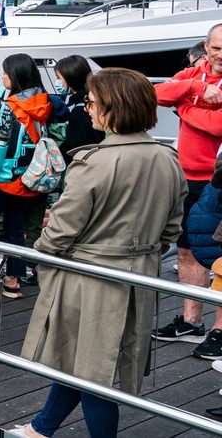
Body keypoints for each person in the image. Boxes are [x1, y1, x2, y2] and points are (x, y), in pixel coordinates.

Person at [17, 68, 185, 438]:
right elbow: (171, 229)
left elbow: (61, 231)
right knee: (86, 361)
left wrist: (42, 252)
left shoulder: (93, 163)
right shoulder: (167, 159)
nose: (89, 110)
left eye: (93, 103)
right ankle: (40, 428)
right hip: (138, 275)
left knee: (93, 372)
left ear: (112, 109)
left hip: (89, 277)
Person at [152, 24, 222, 357]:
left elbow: (218, 124)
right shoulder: (193, 73)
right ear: (206, 46)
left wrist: (185, 106)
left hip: (218, 181)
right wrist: (193, 87)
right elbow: (155, 94)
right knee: (185, 251)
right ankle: (192, 319)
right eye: (216, 48)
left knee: (220, 258)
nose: (220, 56)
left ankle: (220, 330)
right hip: (187, 176)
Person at [0, 54, 51, 298]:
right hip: (28, 181)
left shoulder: (12, 107)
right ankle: (12, 281)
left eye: (5, 73)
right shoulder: (42, 102)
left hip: (4, 180)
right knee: (15, 232)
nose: (3, 77)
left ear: (15, 76)